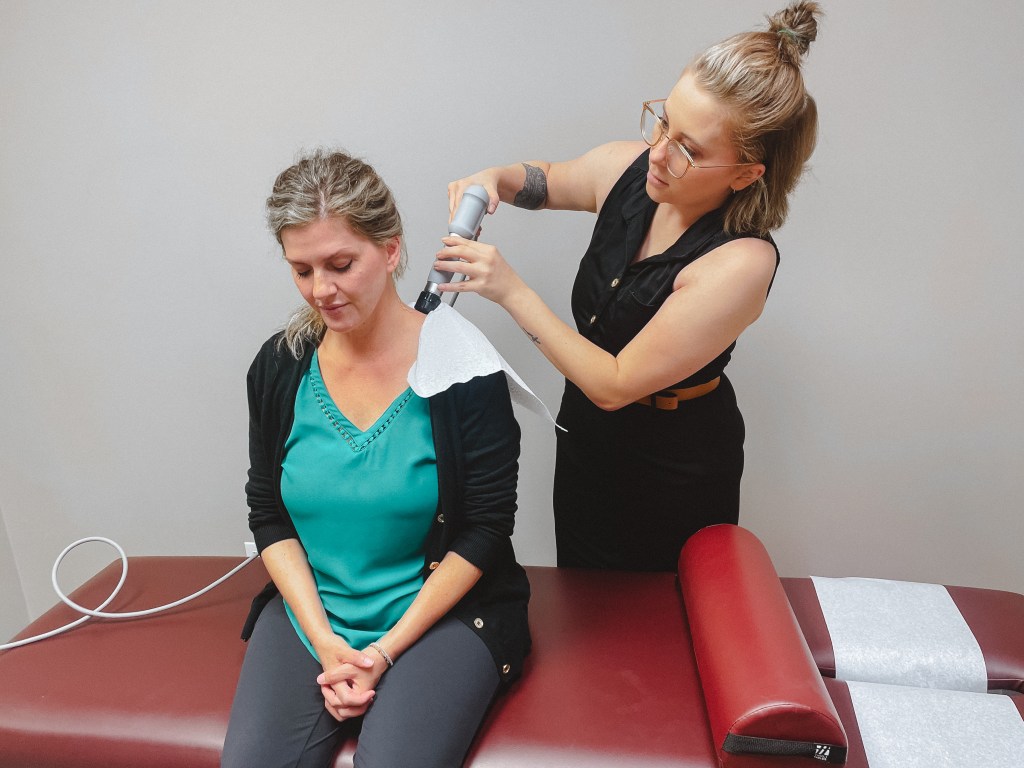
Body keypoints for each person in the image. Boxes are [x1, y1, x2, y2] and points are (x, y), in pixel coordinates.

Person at [440, 2, 822, 572]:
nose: (661, 153)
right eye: (664, 121)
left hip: (673, 465)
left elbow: (615, 385)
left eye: (690, 150)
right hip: (587, 436)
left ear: (746, 174)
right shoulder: (631, 168)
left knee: (657, 629)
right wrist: (493, 178)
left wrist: (509, 290)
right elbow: (545, 182)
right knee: (585, 598)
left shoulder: (741, 262)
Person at [221, 149, 531, 768]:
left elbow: (485, 531)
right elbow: (268, 512)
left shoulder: (464, 373)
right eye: (301, 270)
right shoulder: (279, 366)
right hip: (317, 607)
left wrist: (383, 652)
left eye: (341, 264)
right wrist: (325, 642)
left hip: (438, 615)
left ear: (390, 250)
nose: (322, 291)